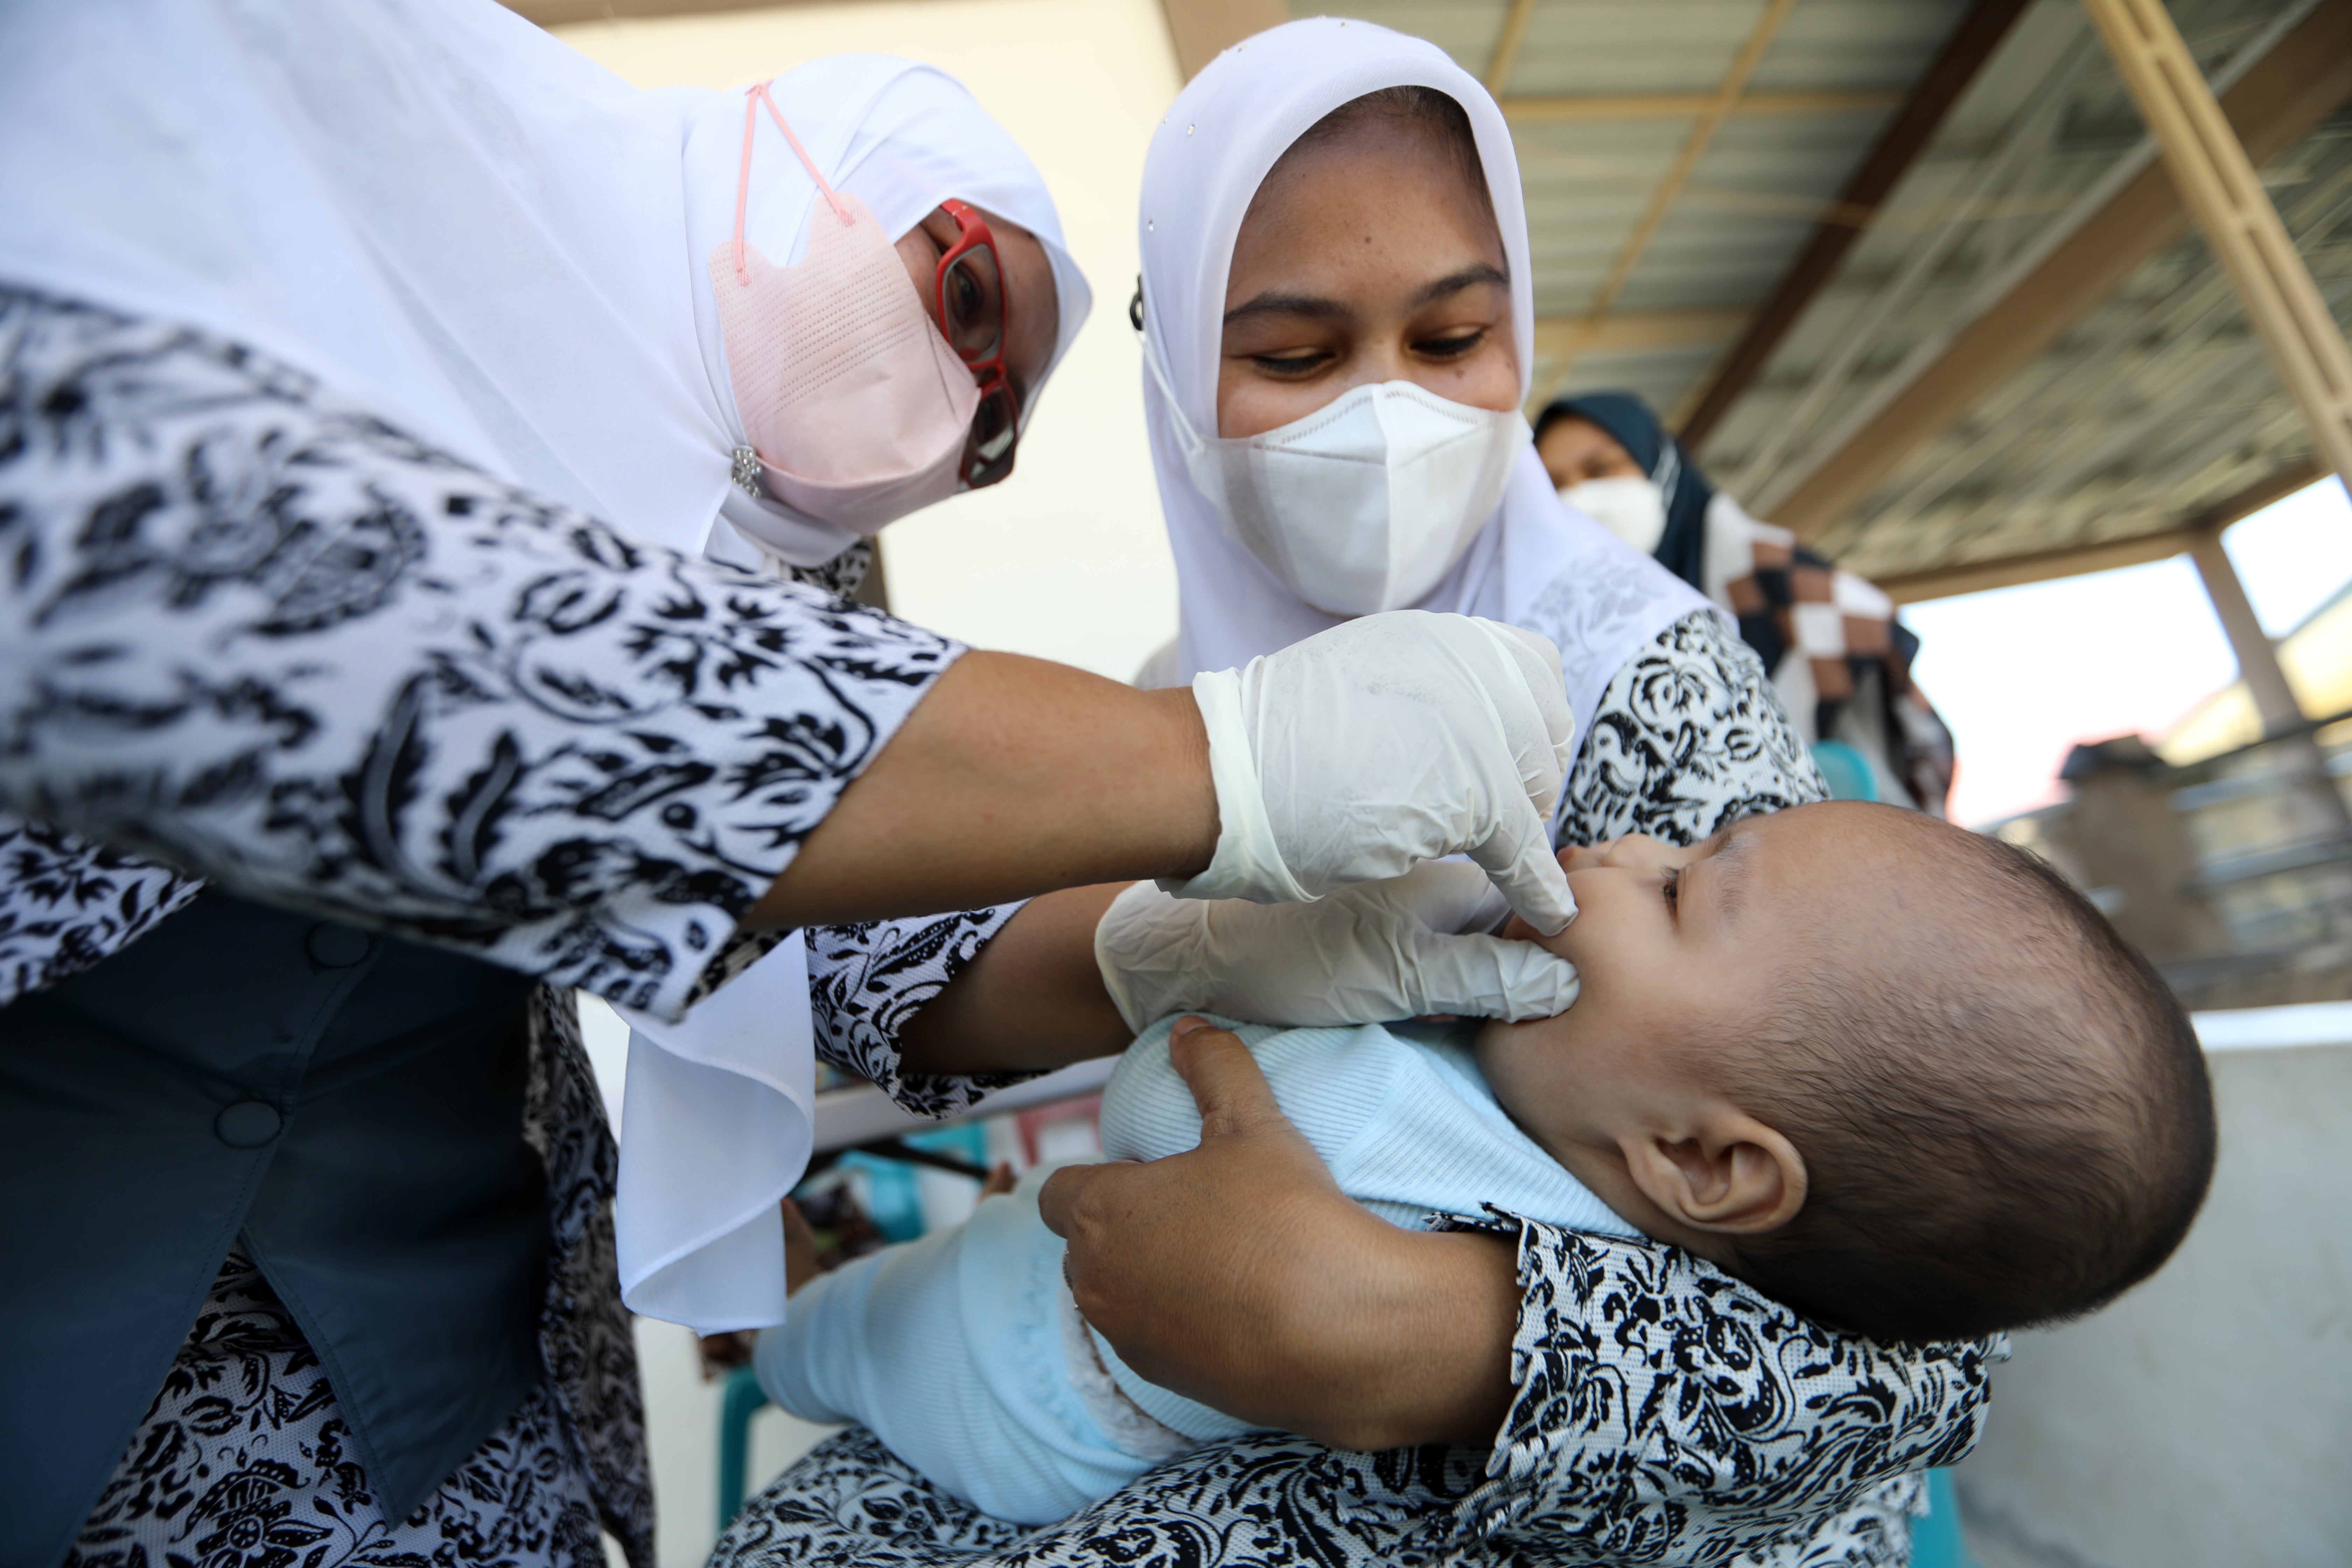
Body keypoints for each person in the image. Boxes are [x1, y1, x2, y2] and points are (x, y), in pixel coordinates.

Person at [0, 7, 1592, 1566]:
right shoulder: (170, 255)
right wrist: (1223, 763)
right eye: (966, 286)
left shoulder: (774, 568)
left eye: (995, 425)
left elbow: (859, 950)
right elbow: (379, 641)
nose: (956, 396)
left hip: (419, 1403)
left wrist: (1169, 948)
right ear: (780, 166)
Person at [713, 21, 2009, 1568]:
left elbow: (1917, 1328)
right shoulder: (1178, 713)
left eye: (1452, 340)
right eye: (1293, 356)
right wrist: (1164, 941)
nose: (1389, 416)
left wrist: (1426, 1331)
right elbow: (869, 973)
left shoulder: (1637, 678)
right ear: (1176, 380)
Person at [757, 801, 2215, 1525]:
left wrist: (1287, 964)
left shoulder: (1386, 1127)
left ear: (1707, 1160)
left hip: (1008, 1384)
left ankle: (774, 1337)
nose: (1626, 845)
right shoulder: (1625, 1236)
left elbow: (1157, 1107)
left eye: (1685, 891)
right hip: (1057, 1386)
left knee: (841, 1339)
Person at [1536, 391, 1959, 814]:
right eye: (1555, 486)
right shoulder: (1572, 631)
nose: (1578, 499)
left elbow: (1886, 798)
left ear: (1660, 468)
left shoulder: (1779, 584)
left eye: (1600, 469)